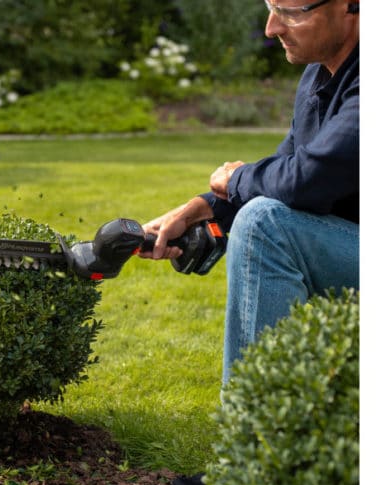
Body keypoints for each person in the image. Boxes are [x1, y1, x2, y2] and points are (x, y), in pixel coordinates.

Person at [139, 0, 360, 387]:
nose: (271, 28)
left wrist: (236, 179)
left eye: (290, 12)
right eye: (270, 6)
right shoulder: (319, 74)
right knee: (264, 215)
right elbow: (287, 168)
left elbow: (308, 180)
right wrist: (200, 210)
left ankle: (251, 422)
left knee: (264, 225)